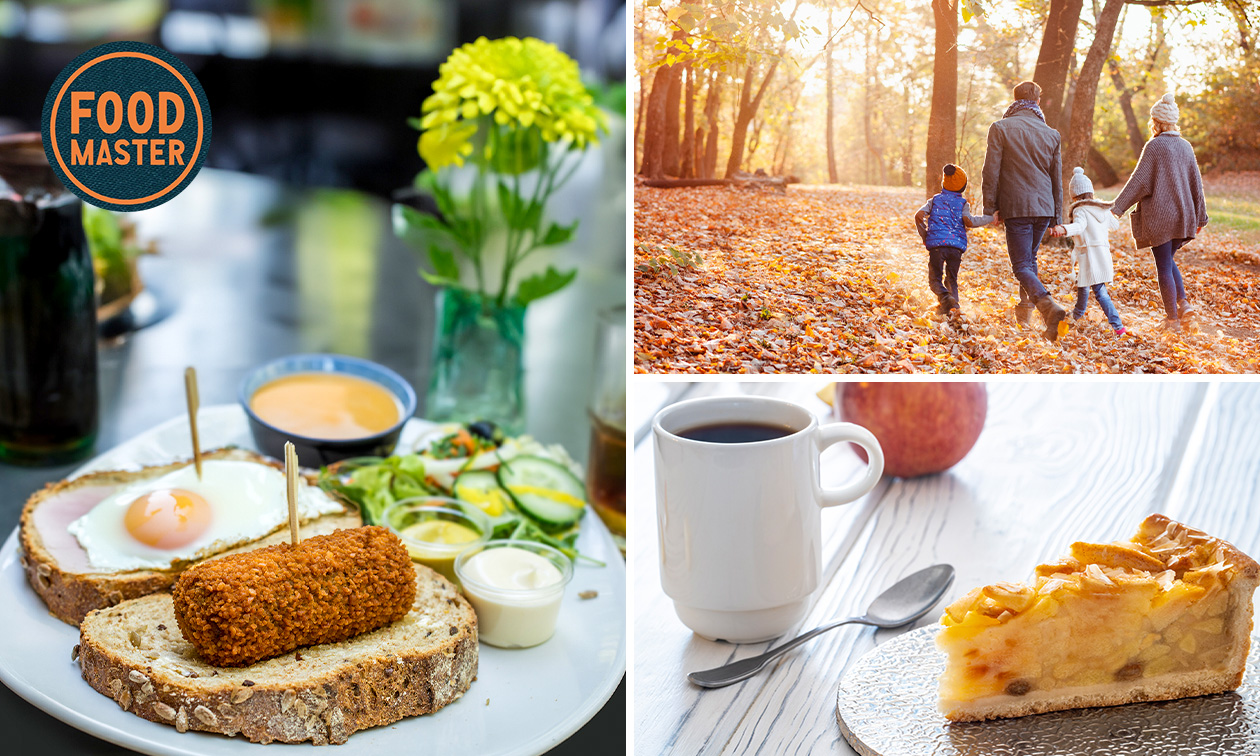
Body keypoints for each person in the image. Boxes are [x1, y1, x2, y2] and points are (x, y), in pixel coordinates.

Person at [1110, 93, 1208, 331]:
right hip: (1183, 216)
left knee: (1163, 265)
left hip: (1161, 218)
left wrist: (1117, 208)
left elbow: (1139, 182)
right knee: (1168, 260)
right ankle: (1184, 306)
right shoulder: (1186, 146)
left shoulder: (1154, 146)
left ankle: (1172, 320)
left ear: (1156, 121)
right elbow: (1197, 184)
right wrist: (1200, 217)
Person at [982, 80, 1070, 341]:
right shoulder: (1051, 134)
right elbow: (1057, 179)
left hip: (1016, 206)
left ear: (1015, 99)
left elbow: (991, 171)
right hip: (1043, 208)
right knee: (1029, 261)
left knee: (1021, 265)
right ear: (1038, 102)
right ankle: (1026, 316)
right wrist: (1057, 217)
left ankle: (1048, 307)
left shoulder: (1000, 128)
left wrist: (990, 208)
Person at [1048, 167, 1126, 336]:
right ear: (1090, 192)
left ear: (1074, 195)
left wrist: (1063, 229)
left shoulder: (1080, 210)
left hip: (1090, 255)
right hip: (1101, 254)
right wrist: (1106, 214)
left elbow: (1079, 226)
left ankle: (1118, 326)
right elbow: (1115, 225)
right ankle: (1077, 315)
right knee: (1083, 285)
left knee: (1099, 291)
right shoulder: (1101, 208)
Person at [914, 164, 996, 317]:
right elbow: (969, 221)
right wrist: (991, 218)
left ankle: (946, 299)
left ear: (944, 183)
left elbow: (919, 215)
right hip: (956, 248)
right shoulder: (963, 203)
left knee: (935, 280)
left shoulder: (934, 200)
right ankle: (954, 308)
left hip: (937, 247)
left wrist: (925, 236)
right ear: (962, 187)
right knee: (952, 279)